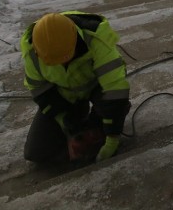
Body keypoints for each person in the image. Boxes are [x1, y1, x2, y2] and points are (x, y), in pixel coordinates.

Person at [20, 11, 130, 164]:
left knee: (112, 111)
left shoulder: (96, 39)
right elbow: (41, 92)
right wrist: (65, 123)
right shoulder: (32, 52)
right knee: (35, 152)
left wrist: (111, 142)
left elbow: (115, 91)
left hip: (98, 89)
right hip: (65, 97)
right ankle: (79, 116)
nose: (61, 65)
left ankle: (98, 118)